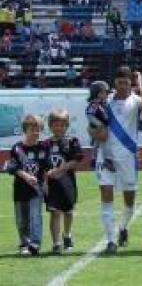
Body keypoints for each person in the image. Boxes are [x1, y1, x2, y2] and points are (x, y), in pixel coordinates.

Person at [90, 67, 142, 254]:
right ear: (114, 84)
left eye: (126, 83)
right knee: (106, 196)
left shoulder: (135, 100)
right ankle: (110, 240)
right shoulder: (106, 101)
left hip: (127, 157)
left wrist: (140, 85)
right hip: (106, 156)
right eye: (119, 83)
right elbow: (93, 121)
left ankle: (123, 227)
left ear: (130, 83)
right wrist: (93, 131)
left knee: (129, 201)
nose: (123, 86)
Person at [4, 114, 50, 256]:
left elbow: (45, 169)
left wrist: (46, 184)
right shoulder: (17, 148)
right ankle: (24, 243)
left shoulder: (43, 147)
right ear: (25, 130)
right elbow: (12, 167)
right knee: (21, 219)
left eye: (38, 129)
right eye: (32, 129)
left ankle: (35, 243)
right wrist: (26, 176)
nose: (36, 132)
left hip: (36, 190)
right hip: (20, 190)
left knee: (36, 216)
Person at [43, 109, 84, 255]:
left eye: (62, 125)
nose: (58, 127)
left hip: (67, 183)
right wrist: (45, 181)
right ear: (50, 125)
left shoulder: (72, 141)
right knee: (54, 212)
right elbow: (42, 164)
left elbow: (77, 159)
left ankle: (67, 235)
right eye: (55, 124)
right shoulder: (45, 144)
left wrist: (59, 170)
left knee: (68, 211)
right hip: (52, 185)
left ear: (66, 125)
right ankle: (56, 243)